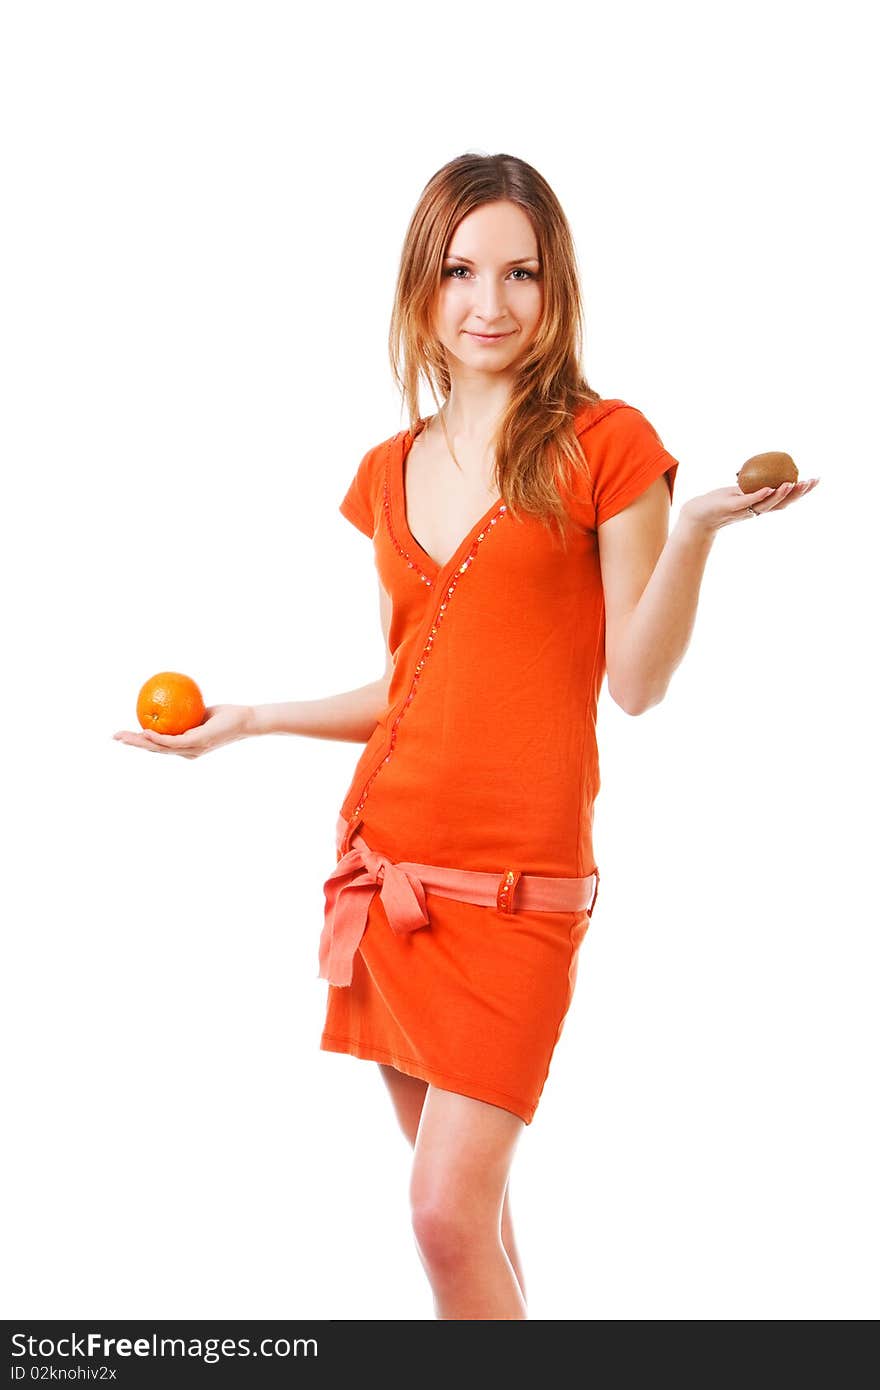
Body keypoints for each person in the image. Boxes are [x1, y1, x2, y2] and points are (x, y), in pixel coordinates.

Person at [113, 152, 819, 1319]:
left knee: (442, 1215)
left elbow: (634, 682)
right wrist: (250, 720)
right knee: (470, 1224)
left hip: (516, 891)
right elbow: (416, 683)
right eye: (459, 272)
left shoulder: (607, 445)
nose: (490, 303)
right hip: (387, 875)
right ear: (419, 289)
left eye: (520, 274)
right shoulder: (385, 474)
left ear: (557, 289)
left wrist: (694, 528)